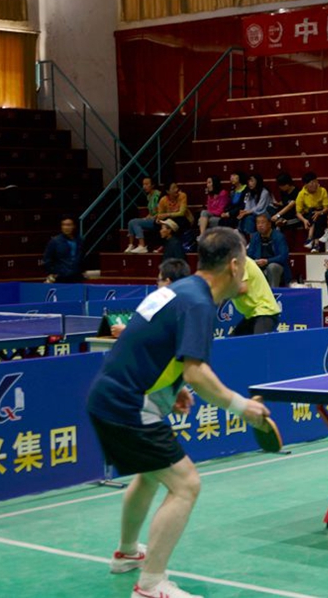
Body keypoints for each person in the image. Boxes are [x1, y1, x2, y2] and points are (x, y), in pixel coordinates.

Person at [87, 227, 269, 598]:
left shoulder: (181, 290)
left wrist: (172, 388)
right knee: (186, 484)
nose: (247, 271)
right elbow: (197, 372)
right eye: (245, 261)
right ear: (234, 265)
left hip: (109, 396)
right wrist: (241, 406)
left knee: (151, 476)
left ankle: (126, 553)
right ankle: (151, 584)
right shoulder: (199, 304)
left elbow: (146, 346)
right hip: (128, 404)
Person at [110, 260, 191, 338]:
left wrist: (126, 331)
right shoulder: (191, 301)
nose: (157, 285)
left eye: (158, 280)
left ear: (167, 282)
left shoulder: (159, 301)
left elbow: (157, 334)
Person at [232, 256, 282, 335]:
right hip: (252, 314)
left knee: (258, 342)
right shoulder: (223, 266)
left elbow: (242, 289)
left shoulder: (239, 261)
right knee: (233, 342)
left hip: (265, 311)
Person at [246, 213, 291, 287]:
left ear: (269, 224)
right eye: (258, 223)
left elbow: (283, 256)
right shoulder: (255, 237)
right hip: (260, 264)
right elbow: (250, 254)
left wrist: (267, 261)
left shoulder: (279, 236)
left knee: (272, 267)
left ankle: (273, 291)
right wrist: (254, 261)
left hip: (276, 265)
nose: (260, 225)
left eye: (262, 223)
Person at [295, 173, 328, 252]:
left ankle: (310, 238)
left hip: (322, 213)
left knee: (317, 216)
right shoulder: (301, 194)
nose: (315, 184)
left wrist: (320, 212)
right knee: (312, 212)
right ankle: (316, 244)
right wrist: (304, 221)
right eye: (312, 183)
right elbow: (298, 212)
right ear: (306, 185)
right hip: (308, 216)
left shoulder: (322, 190)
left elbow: (326, 208)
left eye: (316, 181)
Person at [126, 178, 162, 254]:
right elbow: (151, 212)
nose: (144, 186)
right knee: (131, 222)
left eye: (146, 184)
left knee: (135, 222)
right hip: (151, 219)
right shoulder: (149, 196)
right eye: (143, 184)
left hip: (157, 220)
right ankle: (131, 245)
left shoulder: (158, 195)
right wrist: (146, 218)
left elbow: (160, 211)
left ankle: (142, 245)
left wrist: (152, 217)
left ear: (152, 185)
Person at [44, 215, 83, 283]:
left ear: (74, 226)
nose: (66, 227)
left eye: (68, 225)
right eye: (63, 225)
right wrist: (53, 272)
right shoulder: (55, 241)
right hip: (61, 277)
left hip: (76, 276)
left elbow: (81, 257)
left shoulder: (79, 240)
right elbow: (47, 259)